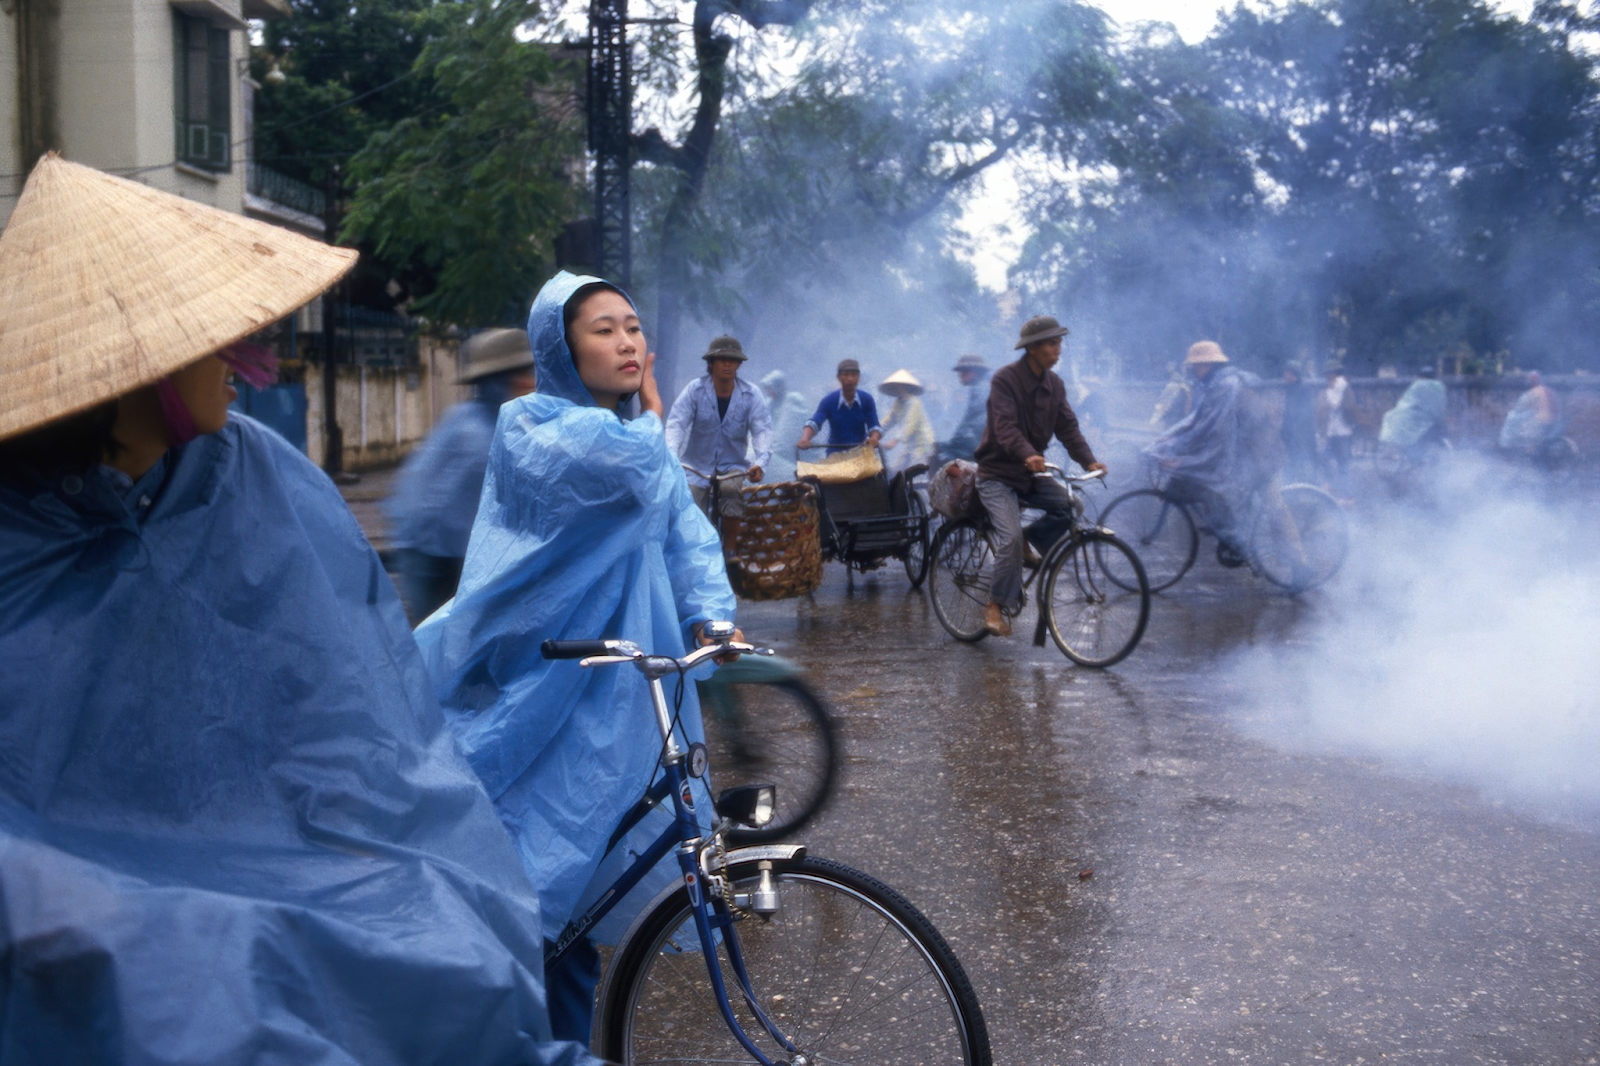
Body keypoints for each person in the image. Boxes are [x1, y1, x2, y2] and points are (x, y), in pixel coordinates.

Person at [0, 156, 597, 1064]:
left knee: (438, 942)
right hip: (101, 914)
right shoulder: (24, 539)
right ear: (137, 366)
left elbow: (353, 720)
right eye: (211, 334)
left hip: (299, 856)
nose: (248, 356)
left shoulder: (251, 476)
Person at [414, 271, 736, 1043]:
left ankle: (562, 1040)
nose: (628, 342)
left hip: (622, 679)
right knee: (541, 877)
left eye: (633, 326)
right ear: (560, 347)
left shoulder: (628, 434)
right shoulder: (535, 428)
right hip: (541, 684)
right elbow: (633, 470)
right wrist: (653, 409)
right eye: (604, 329)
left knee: (586, 890)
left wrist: (711, 611)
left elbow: (680, 526)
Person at [385, 328, 538, 622]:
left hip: (435, 543)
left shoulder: (472, 417)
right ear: (503, 380)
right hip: (433, 553)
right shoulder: (480, 436)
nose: (532, 382)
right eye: (525, 373)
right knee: (442, 632)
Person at [974, 315, 1107, 638]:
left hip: (1030, 474)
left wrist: (1089, 461)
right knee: (1009, 539)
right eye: (1051, 343)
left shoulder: (1055, 385)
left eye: (1059, 343)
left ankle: (1028, 541)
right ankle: (994, 604)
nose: (1057, 349)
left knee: (1071, 506)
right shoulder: (1005, 380)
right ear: (1032, 348)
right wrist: (1027, 453)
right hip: (997, 474)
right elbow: (1005, 426)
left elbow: (1068, 428)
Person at [1149, 340, 1288, 563]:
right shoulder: (1215, 385)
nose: (1194, 370)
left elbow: (1212, 432)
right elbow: (1196, 421)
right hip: (1244, 452)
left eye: (1197, 365)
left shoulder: (1227, 386)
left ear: (1209, 364)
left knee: (1274, 509)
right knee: (1217, 490)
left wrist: (1181, 459)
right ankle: (1236, 539)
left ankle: (1299, 566)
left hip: (1260, 454)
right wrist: (1168, 440)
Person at [665, 334, 772, 559]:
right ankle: (695, 552)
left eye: (733, 360)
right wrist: (672, 456)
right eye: (722, 359)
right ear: (711, 363)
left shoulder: (751, 394)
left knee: (732, 491)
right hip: (696, 465)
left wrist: (760, 462)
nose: (727, 365)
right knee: (689, 500)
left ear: (739, 364)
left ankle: (730, 548)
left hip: (733, 465)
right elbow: (676, 423)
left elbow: (761, 429)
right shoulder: (694, 390)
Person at [798, 358, 882, 451]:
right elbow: (815, 422)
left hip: (862, 451)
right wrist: (805, 439)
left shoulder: (867, 399)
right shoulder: (828, 401)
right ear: (839, 377)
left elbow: (874, 425)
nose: (849, 379)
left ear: (858, 377)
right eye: (845, 375)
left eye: (853, 375)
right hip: (835, 453)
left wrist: (874, 438)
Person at [1380, 365, 1449, 455]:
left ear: (1422, 376)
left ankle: (1407, 451)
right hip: (1434, 417)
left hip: (1419, 418)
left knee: (1391, 417)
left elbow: (1408, 400)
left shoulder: (1419, 384)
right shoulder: (1439, 386)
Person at [879, 368, 936, 472]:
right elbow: (889, 420)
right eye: (897, 386)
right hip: (910, 445)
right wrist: (874, 432)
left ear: (908, 387)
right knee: (896, 471)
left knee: (914, 474)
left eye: (902, 386)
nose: (899, 388)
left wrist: (894, 441)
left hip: (922, 445)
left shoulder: (914, 403)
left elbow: (909, 424)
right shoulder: (898, 403)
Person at [759, 368, 810, 480]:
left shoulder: (792, 400)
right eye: (766, 387)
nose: (768, 391)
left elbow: (788, 430)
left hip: (790, 451)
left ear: (777, 386)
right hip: (773, 450)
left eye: (769, 387)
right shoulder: (769, 403)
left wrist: (775, 450)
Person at [1316, 365, 1359, 495]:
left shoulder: (1345, 388)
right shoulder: (1327, 392)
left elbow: (1348, 406)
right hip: (1331, 433)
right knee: (1324, 458)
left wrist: (1338, 397)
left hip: (1343, 433)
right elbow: (1322, 409)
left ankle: (1348, 495)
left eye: (1331, 375)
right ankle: (1330, 483)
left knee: (1343, 464)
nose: (1329, 378)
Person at [1499, 370, 1564, 456]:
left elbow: (1519, 408)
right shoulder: (1551, 391)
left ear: (1530, 382)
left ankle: (1528, 454)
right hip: (1556, 423)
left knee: (1525, 434)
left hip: (1540, 422)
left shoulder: (1533, 393)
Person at [944, 354, 990, 460]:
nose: (960, 375)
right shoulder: (973, 390)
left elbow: (973, 422)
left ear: (977, 372)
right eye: (960, 371)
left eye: (965, 371)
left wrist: (952, 443)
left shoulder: (980, 391)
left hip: (977, 448)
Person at [1280, 363, 1320, 482]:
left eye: (1286, 373)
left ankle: (1311, 483)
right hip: (1292, 433)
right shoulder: (1290, 389)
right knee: (1294, 459)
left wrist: (1298, 431)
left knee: (1306, 459)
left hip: (1303, 433)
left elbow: (1305, 413)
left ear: (1292, 374)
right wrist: (1285, 430)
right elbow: (1288, 413)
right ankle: (1294, 483)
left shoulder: (1302, 389)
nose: (1284, 376)